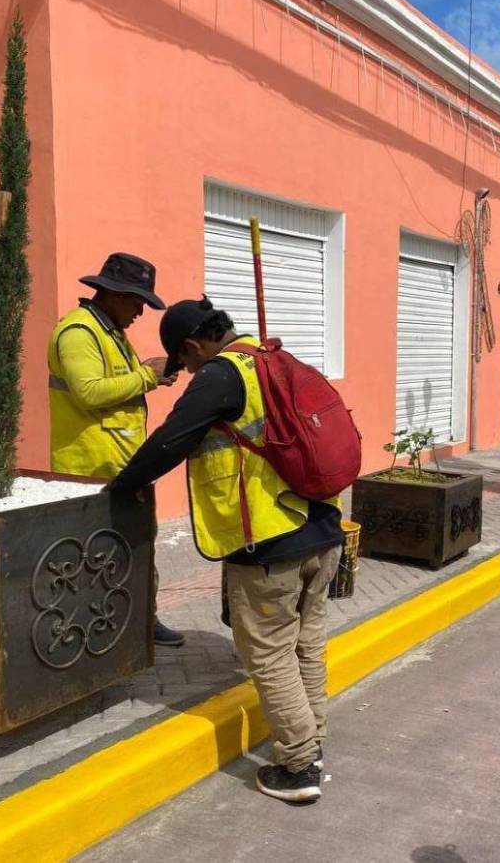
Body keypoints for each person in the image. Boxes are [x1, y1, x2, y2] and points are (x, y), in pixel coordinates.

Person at [109, 298, 344, 805]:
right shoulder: (275, 358)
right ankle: (313, 741)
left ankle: (300, 765)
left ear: (193, 346)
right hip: (323, 528)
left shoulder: (219, 376)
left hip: (270, 542)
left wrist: (120, 488)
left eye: (184, 361)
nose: (187, 370)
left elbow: (169, 442)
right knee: (306, 644)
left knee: (271, 653)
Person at [47, 252, 186, 647]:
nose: (141, 311)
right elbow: (89, 392)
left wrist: (148, 374)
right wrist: (146, 376)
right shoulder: (79, 333)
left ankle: (141, 617)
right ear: (113, 294)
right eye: (137, 301)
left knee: (135, 546)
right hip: (91, 468)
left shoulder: (107, 331)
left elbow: (113, 384)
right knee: (94, 555)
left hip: (121, 463)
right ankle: (92, 628)